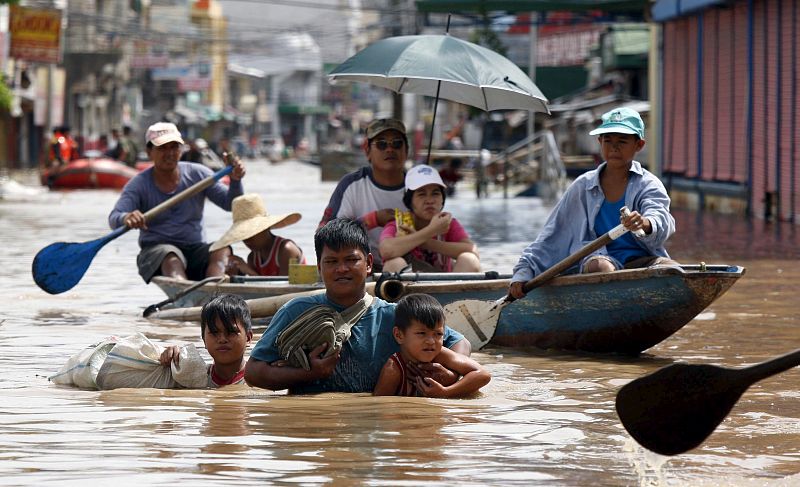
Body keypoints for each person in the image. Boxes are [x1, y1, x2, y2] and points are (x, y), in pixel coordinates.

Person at [244, 218, 471, 394]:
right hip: (317, 429)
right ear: (319, 268)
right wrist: (307, 374)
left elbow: (461, 342)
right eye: (332, 262)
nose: (342, 269)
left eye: (351, 260)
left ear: (369, 264)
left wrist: (449, 373)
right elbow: (253, 372)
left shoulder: (395, 315)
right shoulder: (296, 311)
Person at [509, 107, 678, 299]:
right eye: (608, 141)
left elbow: (659, 216)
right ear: (600, 142)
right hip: (599, 259)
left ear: (638, 145)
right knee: (601, 267)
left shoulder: (648, 184)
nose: (614, 148)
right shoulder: (583, 186)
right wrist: (523, 272)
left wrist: (645, 224)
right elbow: (551, 235)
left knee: (673, 271)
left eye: (622, 141)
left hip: (641, 259)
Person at [108, 121, 246, 283]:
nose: (170, 153)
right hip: (157, 251)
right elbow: (114, 218)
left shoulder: (198, 174)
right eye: (162, 148)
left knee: (222, 249)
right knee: (171, 256)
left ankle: (214, 293)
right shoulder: (138, 184)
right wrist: (127, 217)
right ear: (149, 152)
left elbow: (230, 204)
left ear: (181, 150)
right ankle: (184, 291)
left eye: (174, 147)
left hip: (194, 248)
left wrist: (235, 181)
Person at [318, 118, 408, 270]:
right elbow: (324, 236)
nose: (390, 149)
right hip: (360, 269)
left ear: (406, 150)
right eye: (381, 144)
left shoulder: (419, 187)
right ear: (367, 151)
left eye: (397, 143)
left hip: (409, 266)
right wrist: (371, 220)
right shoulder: (352, 185)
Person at [373, 293, 490, 398]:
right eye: (421, 333)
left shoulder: (441, 355)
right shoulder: (393, 369)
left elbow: (483, 375)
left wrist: (446, 392)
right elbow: (380, 408)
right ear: (399, 335)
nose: (431, 341)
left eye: (438, 334)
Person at [378, 164, 480, 273]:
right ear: (409, 201)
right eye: (422, 194)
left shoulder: (447, 223)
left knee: (470, 259)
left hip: (446, 286)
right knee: (393, 264)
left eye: (435, 194)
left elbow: (472, 250)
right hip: (411, 287)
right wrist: (432, 231)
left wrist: (425, 242)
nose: (429, 200)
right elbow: (386, 251)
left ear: (442, 200)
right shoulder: (400, 224)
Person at [160, 294, 254, 388]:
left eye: (231, 332)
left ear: (248, 338)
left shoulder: (259, 380)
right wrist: (171, 358)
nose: (222, 339)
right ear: (204, 340)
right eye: (214, 332)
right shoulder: (192, 376)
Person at [210, 193, 305, 276]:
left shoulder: (286, 250)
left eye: (251, 234)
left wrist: (249, 271)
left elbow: (284, 289)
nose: (247, 240)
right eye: (244, 235)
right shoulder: (253, 257)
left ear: (265, 228)